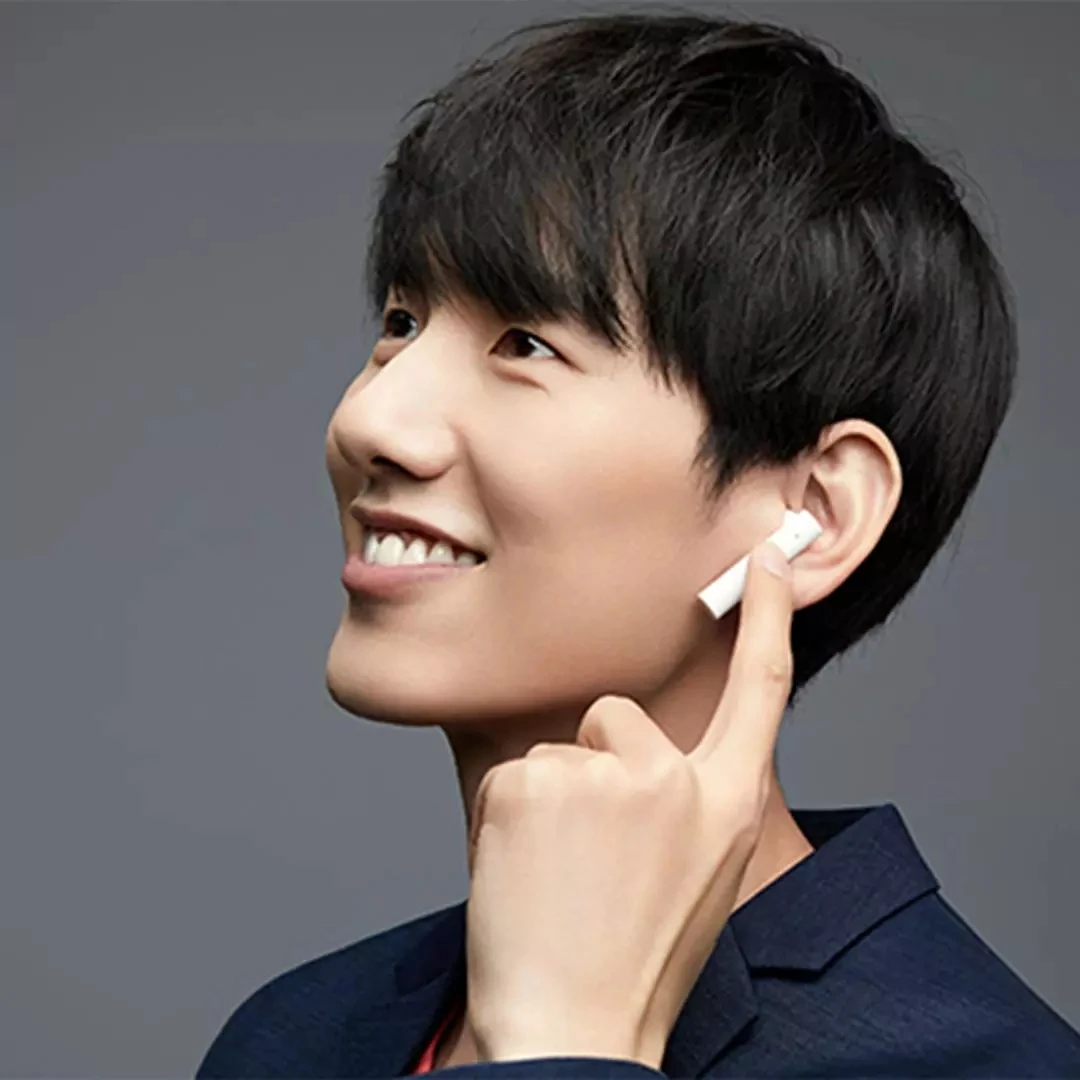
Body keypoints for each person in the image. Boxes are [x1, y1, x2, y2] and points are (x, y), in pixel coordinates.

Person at [195, 12, 1080, 1078]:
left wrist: (565, 1047)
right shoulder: (298, 1035)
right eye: (400, 322)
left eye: (526, 344)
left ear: (815, 512)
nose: (371, 420)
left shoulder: (979, 1064)